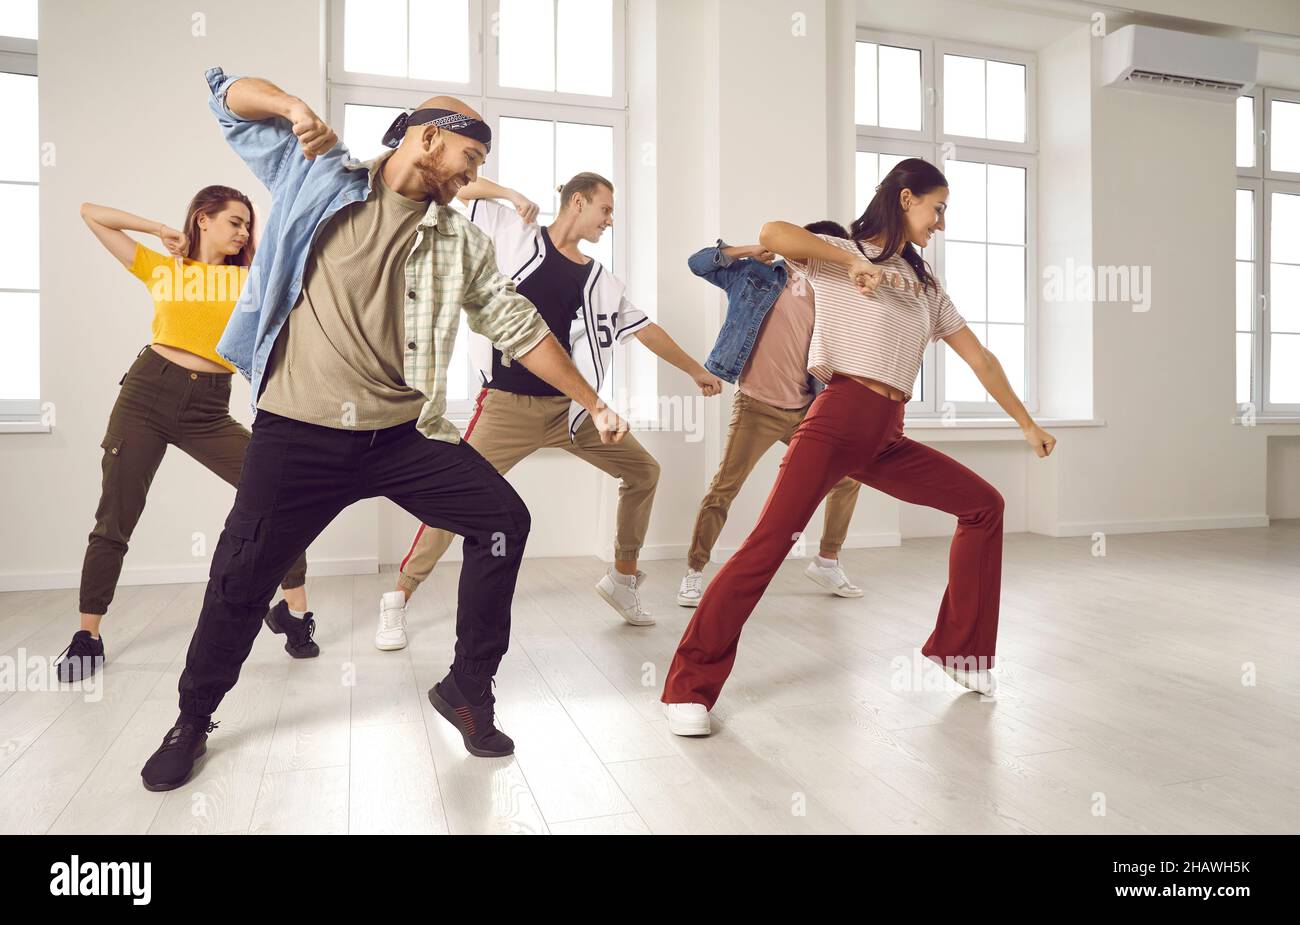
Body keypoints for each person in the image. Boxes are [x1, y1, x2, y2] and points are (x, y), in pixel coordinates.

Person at [140, 66, 629, 791]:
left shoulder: (459, 243)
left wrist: (594, 397)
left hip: (402, 436)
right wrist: (290, 104)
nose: (472, 178)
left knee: (502, 520)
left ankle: (468, 688)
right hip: (297, 432)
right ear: (430, 138)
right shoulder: (319, 175)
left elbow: (520, 328)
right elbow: (226, 98)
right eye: (471, 159)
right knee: (241, 577)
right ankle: (193, 715)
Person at [661, 158, 1058, 736]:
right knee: (768, 545)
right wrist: (849, 262)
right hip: (836, 419)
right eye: (937, 207)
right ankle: (687, 689)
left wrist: (1026, 422)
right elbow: (772, 233)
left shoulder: (924, 285)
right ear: (905, 197)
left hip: (886, 434)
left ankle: (959, 652)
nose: (941, 222)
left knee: (983, 506)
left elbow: (981, 358)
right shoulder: (835, 249)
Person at [379, 173, 721, 645]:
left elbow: (645, 329)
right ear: (577, 202)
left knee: (644, 471)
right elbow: (460, 189)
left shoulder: (600, 280)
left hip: (574, 412)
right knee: (454, 498)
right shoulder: (511, 232)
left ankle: (623, 580)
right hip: (506, 408)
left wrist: (695, 370)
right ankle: (399, 596)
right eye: (605, 209)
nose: (609, 219)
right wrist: (512, 195)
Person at [61, 189, 315, 685]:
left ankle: (294, 612)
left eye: (248, 226)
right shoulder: (164, 267)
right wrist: (158, 228)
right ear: (203, 219)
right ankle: (87, 634)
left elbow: (288, 275)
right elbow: (91, 212)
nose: (244, 233)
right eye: (236, 222)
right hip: (146, 397)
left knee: (277, 493)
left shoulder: (250, 281)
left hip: (209, 409)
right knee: (115, 516)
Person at [676, 221, 864, 609]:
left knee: (847, 477)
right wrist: (746, 250)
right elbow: (699, 264)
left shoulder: (835, 294)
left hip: (806, 409)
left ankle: (827, 560)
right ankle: (694, 571)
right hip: (756, 406)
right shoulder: (758, 275)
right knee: (725, 487)